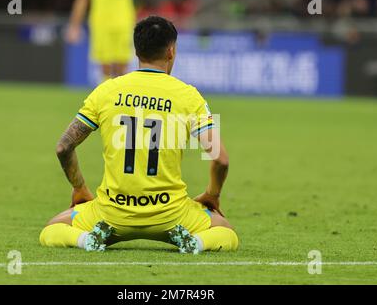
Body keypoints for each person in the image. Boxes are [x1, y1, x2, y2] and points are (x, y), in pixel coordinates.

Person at [40, 16, 239, 254]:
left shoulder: (107, 90)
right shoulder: (190, 96)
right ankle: (194, 243)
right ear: (171, 51)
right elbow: (220, 158)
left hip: (111, 213)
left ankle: (87, 240)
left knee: (51, 230)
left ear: (136, 51)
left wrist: (80, 187)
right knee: (226, 233)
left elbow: (63, 146)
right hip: (172, 214)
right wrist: (212, 194)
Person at [66, 0, 138, 81]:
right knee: (105, 65)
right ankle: (106, 93)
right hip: (100, 23)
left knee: (122, 65)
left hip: (123, 22)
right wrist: (74, 25)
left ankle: (120, 92)